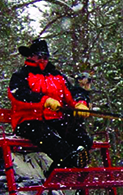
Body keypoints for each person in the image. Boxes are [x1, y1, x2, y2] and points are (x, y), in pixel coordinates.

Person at [8, 39, 93, 172]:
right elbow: (18, 94)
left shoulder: (57, 76)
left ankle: (68, 164)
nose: (43, 60)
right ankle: (70, 161)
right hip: (28, 120)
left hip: (54, 120)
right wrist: (43, 100)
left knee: (80, 135)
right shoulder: (21, 76)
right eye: (39, 57)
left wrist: (80, 103)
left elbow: (72, 93)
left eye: (45, 57)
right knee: (46, 136)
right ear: (30, 56)